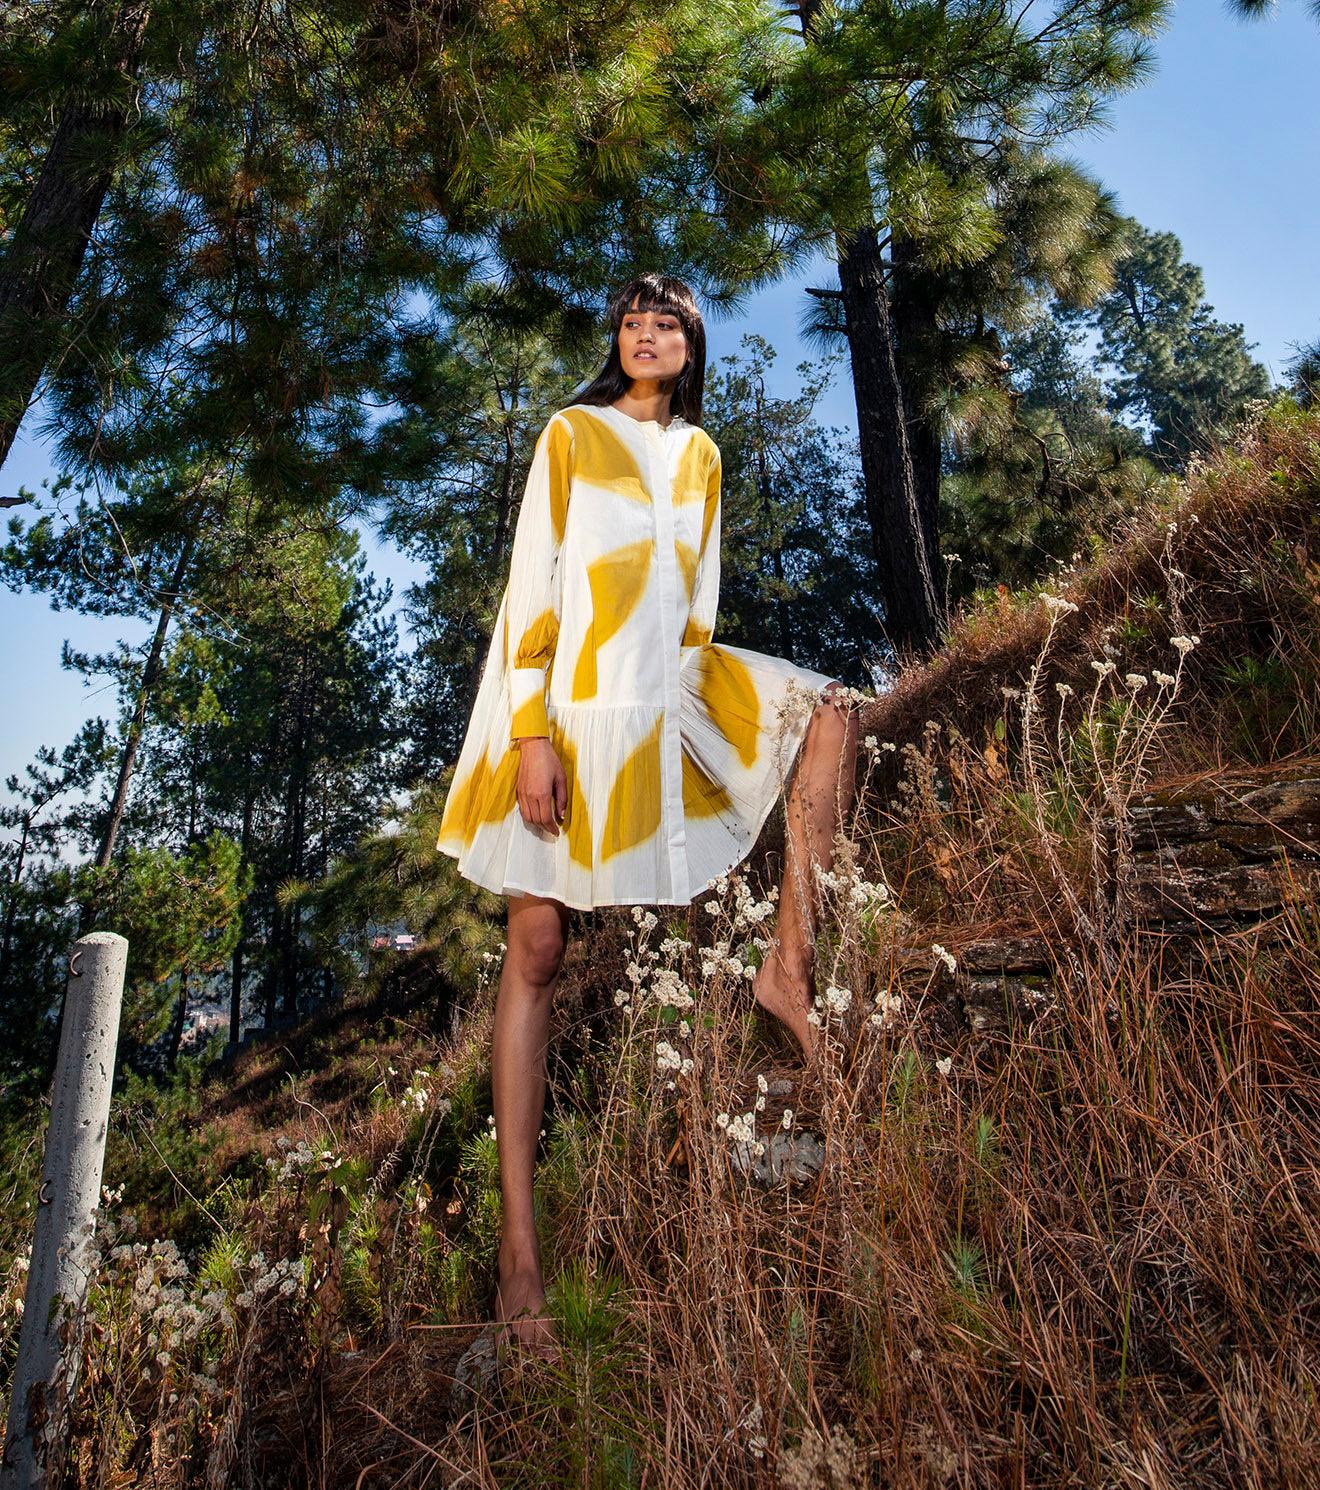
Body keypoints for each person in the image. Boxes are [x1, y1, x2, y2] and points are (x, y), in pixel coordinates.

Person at [435, 273, 859, 1355]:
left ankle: (787, 970)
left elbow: (697, 606)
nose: (646, 333)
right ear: (616, 340)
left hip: (662, 698)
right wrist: (530, 733)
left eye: (667, 322)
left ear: (691, 346)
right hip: (564, 711)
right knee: (536, 945)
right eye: (632, 321)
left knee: (828, 715)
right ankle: (519, 1251)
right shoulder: (571, 434)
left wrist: (696, 725)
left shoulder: (703, 456)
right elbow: (534, 584)